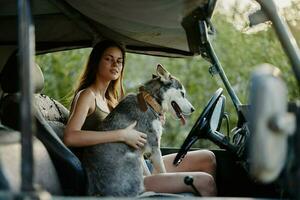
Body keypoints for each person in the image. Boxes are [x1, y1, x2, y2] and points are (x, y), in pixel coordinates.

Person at [63, 40, 217, 196]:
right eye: (108, 59)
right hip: (118, 176)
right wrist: (122, 135)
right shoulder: (87, 95)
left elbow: (138, 142)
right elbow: (70, 137)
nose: (115, 64)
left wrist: (156, 117)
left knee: (207, 158)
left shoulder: (112, 100)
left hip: (134, 163)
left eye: (119, 61)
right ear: (96, 61)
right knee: (206, 182)